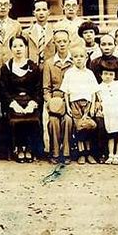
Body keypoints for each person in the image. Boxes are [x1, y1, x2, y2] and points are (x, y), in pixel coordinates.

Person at [0, 35, 43, 163]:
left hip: (30, 101)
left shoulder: (33, 67)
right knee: (15, 117)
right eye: (15, 46)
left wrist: (33, 102)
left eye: (21, 46)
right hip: (13, 102)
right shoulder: (6, 67)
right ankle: (18, 148)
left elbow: (38, 88)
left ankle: (29, 148)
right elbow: (4, 89)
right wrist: (12, 103)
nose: (18, 49)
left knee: (31, 117)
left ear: (26, 47)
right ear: (11, 49)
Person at [60, 45, 100, 164]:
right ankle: (81, 153)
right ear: (72, 59)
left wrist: (92, 106)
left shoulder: (89, 73)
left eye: (81, 56)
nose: (79, 59)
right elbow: (66, 93)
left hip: (87, 104)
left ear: (86, 58)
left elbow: (94, 92)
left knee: (88, 127)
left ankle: (89, 153)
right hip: (75, 104)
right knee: (79, 128)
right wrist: (68, 107)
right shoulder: (69, 73)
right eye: (76, 57)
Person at [43, 30, 74, 164]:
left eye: (64, 41)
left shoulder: (74, 62)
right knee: (54, 121)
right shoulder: (49, 63)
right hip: (54, 100)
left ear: (69, 42)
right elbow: (46, 88)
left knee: (67, 120)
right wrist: (50, 102)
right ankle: (54, 152)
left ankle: (66, 153)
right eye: (59, 41)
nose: (62, 44)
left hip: (70, 100)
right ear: (54, 43)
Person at [95, 61, 118, 165]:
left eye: (111, 74)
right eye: (105, 74)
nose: (108, 76)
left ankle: (117, 155)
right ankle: (110, 155)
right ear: (101, 75)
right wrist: (99, 110)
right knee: (111, 135)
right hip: (109, 114)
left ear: (115, 75)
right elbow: (99, 101)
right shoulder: (99, 87)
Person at [23, 0, 54, 69]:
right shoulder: (26, 33)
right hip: (32, 69)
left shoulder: (55, 31)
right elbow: (24, 54)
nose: (41, 13)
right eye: (38, 10)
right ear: (33, 12)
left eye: (44, 9)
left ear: (48, 12)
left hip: (50, 68)